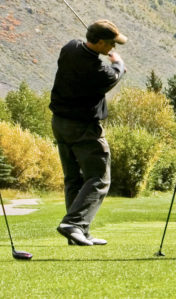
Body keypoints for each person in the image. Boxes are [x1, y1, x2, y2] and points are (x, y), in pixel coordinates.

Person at [49, 20, 128, 246]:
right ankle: (74, 222)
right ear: (100, 42)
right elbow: (113, 76)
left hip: (60, 124)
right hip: (84, 128)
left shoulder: (70, 48)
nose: (114, 48)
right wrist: (118, 64)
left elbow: (87, 56)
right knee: (99, 177)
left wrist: (104, 57)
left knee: (74, 178)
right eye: (111, 44)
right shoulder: (99, 71)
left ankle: (78, 231)